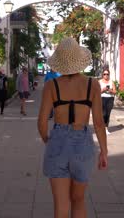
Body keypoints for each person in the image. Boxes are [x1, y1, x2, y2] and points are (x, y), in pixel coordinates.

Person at [38, 37, 108, 218]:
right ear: (79, 61)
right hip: (82, 142)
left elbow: (42, 122)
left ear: (60, 62)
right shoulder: (93, 84)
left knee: (61, 205)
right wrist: (104, 151)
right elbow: (99, 123)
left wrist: (48, 140)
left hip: (58, 141)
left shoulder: (51, 85)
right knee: (78, 199)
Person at [99, 68, 116, 135]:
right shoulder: (99, 82)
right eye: (104, 74)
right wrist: (103, 90)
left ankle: (106, 129)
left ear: (109, 75)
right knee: (103, 114)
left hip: (110, 99)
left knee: (107, 114)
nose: (106, 75)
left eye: (107, 74)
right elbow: (96, 92)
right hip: (102, 99)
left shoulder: (111, 82)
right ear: (102, 75)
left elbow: (115, 92)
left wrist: (110, 91)